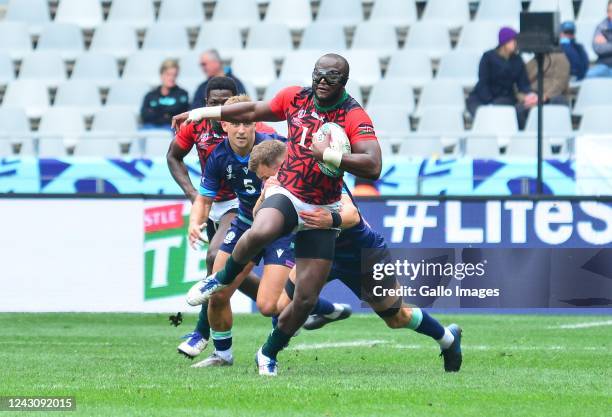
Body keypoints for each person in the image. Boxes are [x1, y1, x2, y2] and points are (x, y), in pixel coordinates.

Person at [176, 53, 382, 376]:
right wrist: (203, 112)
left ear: (344, 81)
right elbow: (254, 110)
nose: (323, 81)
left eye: (332, 76)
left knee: (303, 300)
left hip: (322, 207)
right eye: (319, 74)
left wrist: (330, 155)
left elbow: (373, 164)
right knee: (261, 229)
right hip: (288, 191)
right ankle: (219, 278)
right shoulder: (295, 97)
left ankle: (267, 352)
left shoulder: (353, 114)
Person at [248, 139, 463, 375]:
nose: (265, 181)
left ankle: (448, 339)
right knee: (283, 305)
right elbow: (258, 216)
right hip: (316, 253)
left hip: (359, 255)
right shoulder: (275, 186)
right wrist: (265, 193)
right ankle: (268, 353)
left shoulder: (319, 174)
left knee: (397, 317)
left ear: (283, 165)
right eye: (262, 178)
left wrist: (331, 220)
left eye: (266, 176)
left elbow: (351, 215)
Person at [187, 98, 351, 368]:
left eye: (247, 123)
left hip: (282, 229)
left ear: (255, 123)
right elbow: (206, 200)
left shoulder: (279, 147)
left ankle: (315, 308)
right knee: (218, 293)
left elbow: (316, 176)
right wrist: (196, 221)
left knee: (269, 305)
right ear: (224, 125)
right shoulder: (218, 155)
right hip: (246, 223)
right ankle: (222, 355)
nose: (241, 130)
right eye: (235, 124)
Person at [168, 77, 262, 359]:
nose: (219, 109)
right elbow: (174, 157)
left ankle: (201, 334)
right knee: (233, 272)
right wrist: (192, 194)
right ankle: (295, 308)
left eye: (225, 104)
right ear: (205, 104)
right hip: (210, 200)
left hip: (240, 201)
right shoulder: (195, 126)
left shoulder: (246, 127)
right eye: (213, 104)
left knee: (214, 258)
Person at [466, 27, 538, 129]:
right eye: (513, 41)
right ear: (505, 42)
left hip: (505, 98)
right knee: (483, 115)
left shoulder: (517, 60)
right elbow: (483, 82)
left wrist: (530, 94)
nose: (515, 43)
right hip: (482, 98)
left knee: (518, 111)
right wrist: (489, 102)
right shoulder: (488, 57)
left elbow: (523, 84)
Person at [141, 59, 189, 130]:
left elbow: (180, 114)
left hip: (172, 129)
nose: (171, 78)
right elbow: (145, 115)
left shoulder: (182, 94)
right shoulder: (150, 95)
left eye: (174, 75)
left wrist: (156, 111)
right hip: (151, 128)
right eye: (168, 74)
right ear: (161, 75)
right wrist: (166, 115)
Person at [587, 0, 612, 78]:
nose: (610, 14)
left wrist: (607, 43)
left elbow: (604, 47)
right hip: (604, 65)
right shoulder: (601, 27)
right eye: (609, 11)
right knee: (586, 76)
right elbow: (598, 48)